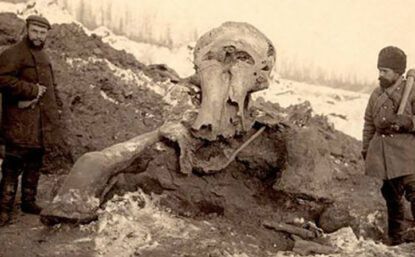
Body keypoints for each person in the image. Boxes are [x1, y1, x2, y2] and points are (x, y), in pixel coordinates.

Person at [0, 15, 60, 226]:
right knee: (12, 165)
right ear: (27, 29)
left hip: (39, 124)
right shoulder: (13, 53)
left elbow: (50, 86)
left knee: (35, 163)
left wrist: (55, 111)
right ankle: (3, 209)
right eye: (35, 31)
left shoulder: (44, 55)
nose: (38, 36)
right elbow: (3, 79)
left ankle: (29, 202)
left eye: (42, 32)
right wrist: (31, 90)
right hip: (18, 121)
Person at [362, 46, 415, 245]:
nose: (380, 75)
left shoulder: (412, 90)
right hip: (382, 153)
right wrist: (366, 149)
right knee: (392, 198)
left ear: (398, 72)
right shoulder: (376, 94)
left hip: (408, 152)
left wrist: (409, 122)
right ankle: (396, 239)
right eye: (379, 70)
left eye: (385, 71)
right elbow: (368, 123)